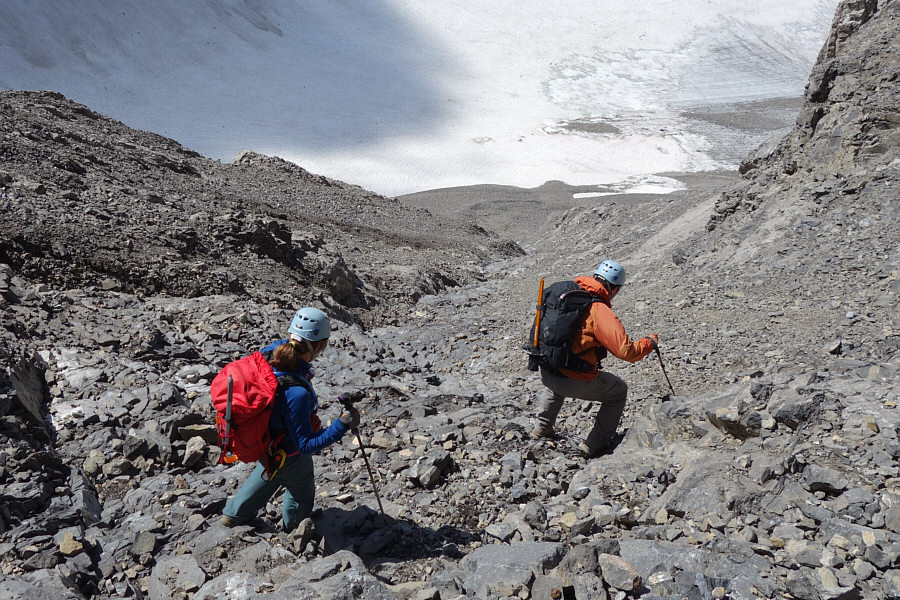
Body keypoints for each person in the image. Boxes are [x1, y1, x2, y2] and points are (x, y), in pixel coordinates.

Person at [222, 307, 360, 531]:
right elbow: (305, 445)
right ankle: (295, 531)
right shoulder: (297, 393)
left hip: (262, 438)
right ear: (318, 347)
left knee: (271, 470)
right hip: (289, 451)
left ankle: (235, 513)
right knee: (301, 488)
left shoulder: (270, 355)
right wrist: (342, 424)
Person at [531, 260, 659, 458]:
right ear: (614, 289)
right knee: (618, 391)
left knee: (559, 368)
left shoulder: (566, 295)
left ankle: (541, 428)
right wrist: (649, 342)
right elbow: (627, 352)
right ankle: (593, 446)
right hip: (572, 380)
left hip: (546, 371)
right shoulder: (598, 310)